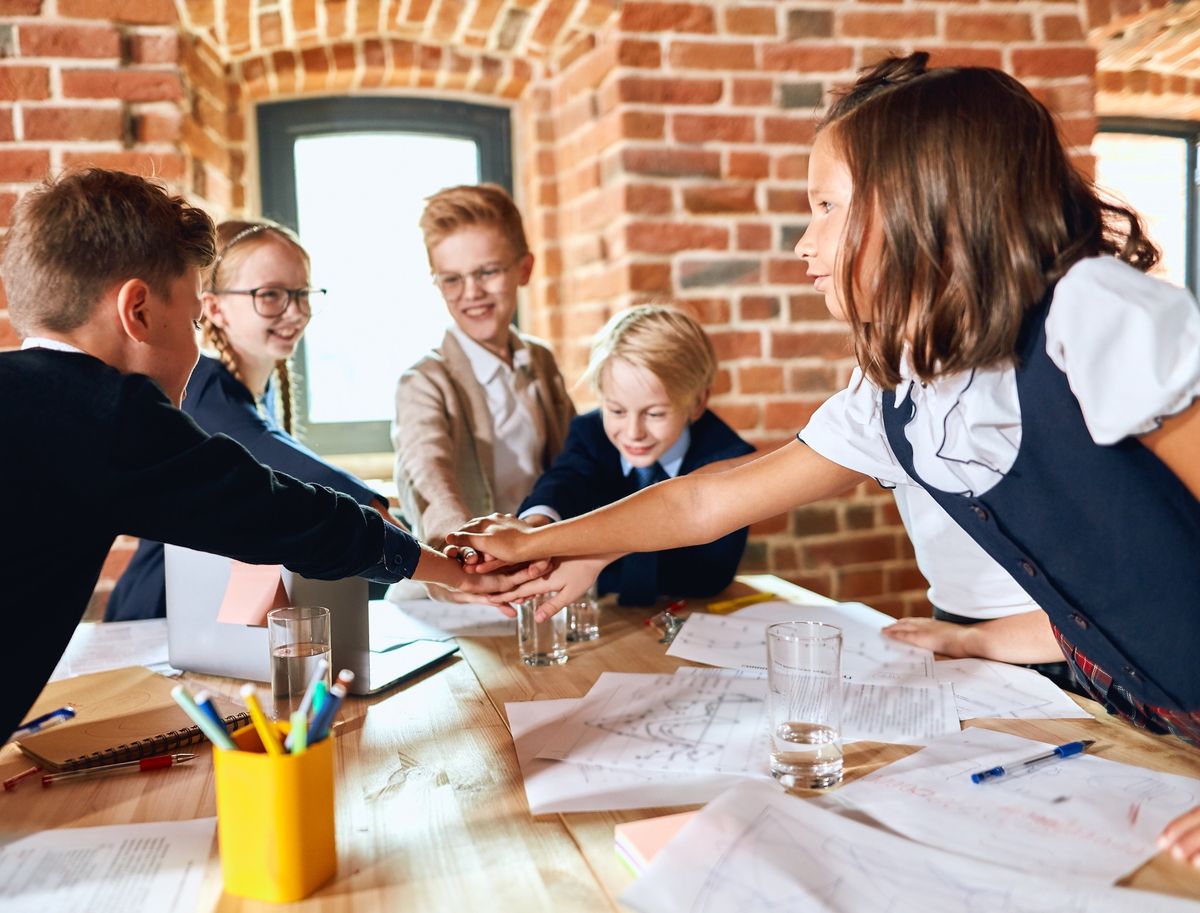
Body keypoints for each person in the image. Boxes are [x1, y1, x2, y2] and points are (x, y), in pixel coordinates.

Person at [446, 55, 1200, 859]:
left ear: (923, 204)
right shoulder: (901, 391)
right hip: (1144, 732)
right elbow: (708, 499)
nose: (805, 246)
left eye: (826, 208)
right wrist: (534, 540)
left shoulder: (1094, 316)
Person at [0, 168, 538, 743]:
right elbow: (289, 516)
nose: (196, 340)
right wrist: (452, 572)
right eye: (193, 320)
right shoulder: (108, 413)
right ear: (137, 311)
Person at [106, 220, 398, 620]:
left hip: (214, 612)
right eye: (271, 295)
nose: (295, 311)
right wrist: (433, 559)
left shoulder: (263, 391)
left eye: (302, 293)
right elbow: (323, 489)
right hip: (158, 615)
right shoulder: (205, 390)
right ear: (214, 308)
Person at [389, 183, 575, 600]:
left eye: (487, 272)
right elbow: (429, 476)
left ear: (523, 269)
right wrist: (466, 555)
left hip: (542, 571)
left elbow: (573, 463)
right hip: (465, 580)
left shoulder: (541, 363)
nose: (471, 293)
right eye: (452, 279)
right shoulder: (424, 381)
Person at [517, 304, 755, 605]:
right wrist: (539, 522)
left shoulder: (729, 456)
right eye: (615, 410)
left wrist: (591, 558)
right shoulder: (589, 433)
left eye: (654, 414)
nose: (633, 432)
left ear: (697, 403)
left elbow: (708, 576)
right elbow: (566, 481)